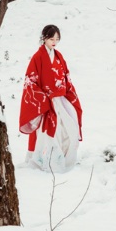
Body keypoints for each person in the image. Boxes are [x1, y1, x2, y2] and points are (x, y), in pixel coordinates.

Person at [19, 25, 83, 171]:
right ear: (44, 38)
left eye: (57, 39)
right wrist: (44, 98)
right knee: (48, 132)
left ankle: (64, 158)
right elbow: (31, 81)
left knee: (68, 128)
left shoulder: (59, 56)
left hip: (60, 100)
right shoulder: (37, 57)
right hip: (46, 102)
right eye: (51, 39)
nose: (54, 42)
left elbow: (66, 76)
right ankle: (46, 160)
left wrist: (66, 92)